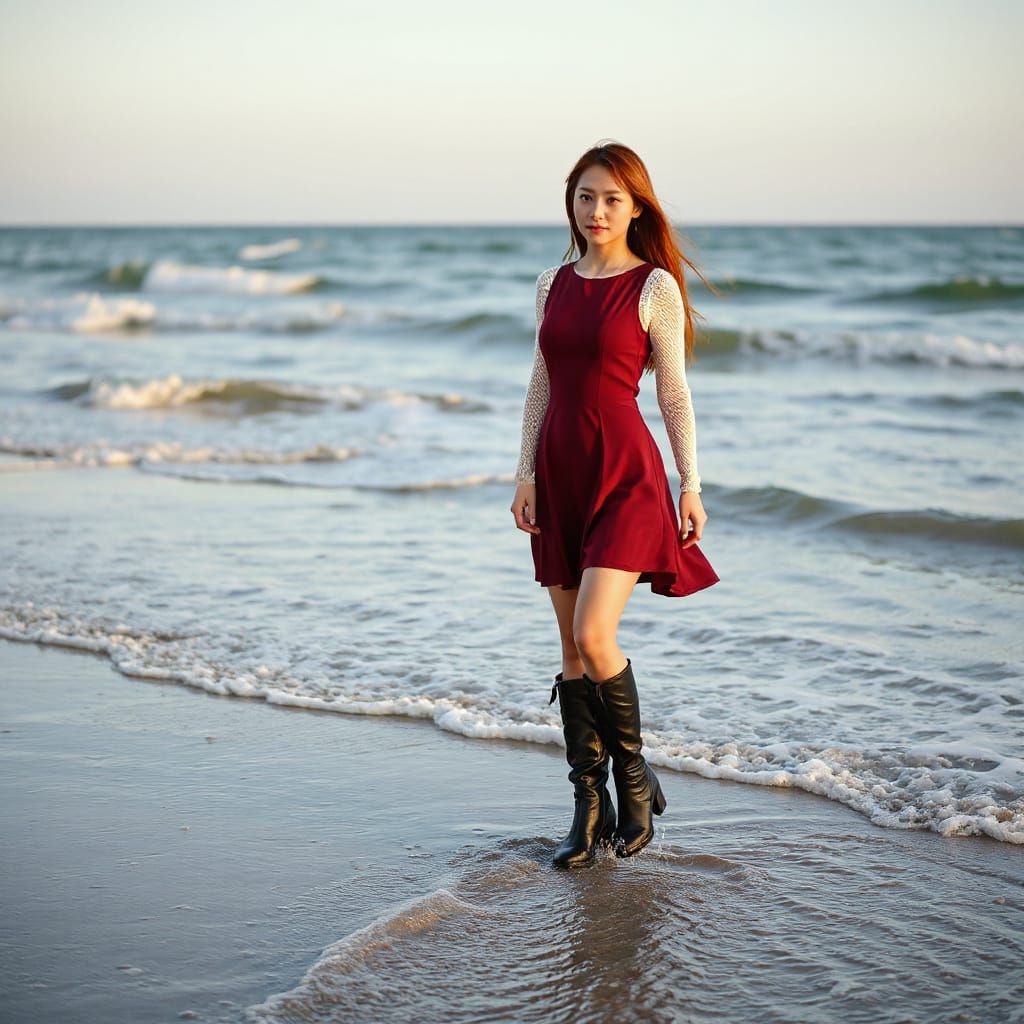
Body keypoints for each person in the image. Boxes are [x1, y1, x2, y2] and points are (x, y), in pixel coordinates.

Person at [509, 141, 721, 868]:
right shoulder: (550, 283)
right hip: (559, 472)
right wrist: (524, 473)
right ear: (570, 203)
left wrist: (690, 483)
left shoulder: (652, 286)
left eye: (611, 199)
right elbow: (540, 382)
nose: (596, 212)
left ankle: (635, 781)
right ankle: (586, 807)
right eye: (584, 197)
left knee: (597, 635)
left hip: (626, 473)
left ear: (636, 208)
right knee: (570, 651)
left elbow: (673, 394)